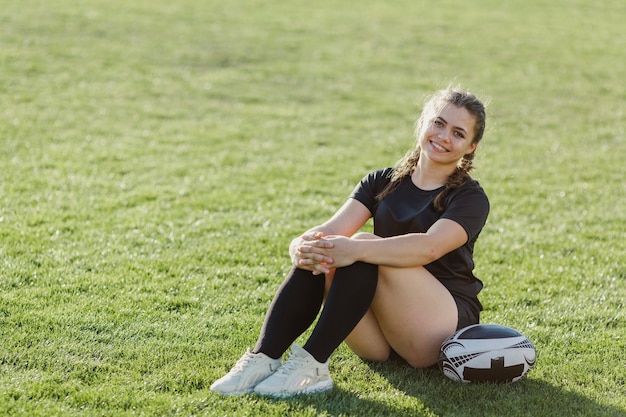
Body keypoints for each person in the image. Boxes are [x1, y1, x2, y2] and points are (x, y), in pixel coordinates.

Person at [210, 87, 490, 397]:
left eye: (458, 133)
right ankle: (263, 358)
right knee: (327, 247)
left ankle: (312, 364)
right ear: (423, 121)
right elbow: (330, 230)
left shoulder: (470, 197)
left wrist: (355, 248)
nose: (444, 136)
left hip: (437, 331)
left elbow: (430, 247)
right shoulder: (382, 181)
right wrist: (301, 245)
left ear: (470, 147)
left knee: (360, 246)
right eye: (438, 123)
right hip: (381, 341)